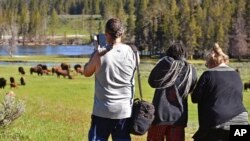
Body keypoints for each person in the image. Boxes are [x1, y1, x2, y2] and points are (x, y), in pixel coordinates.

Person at [83, 18, 137, 141]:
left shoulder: (99, 54)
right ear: (121, 33)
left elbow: (86, 72)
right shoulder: (134, 52)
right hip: (124, 110)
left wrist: (95, 53)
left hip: (102, 110)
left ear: (106, 34)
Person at [191, 43, 249, 141]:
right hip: (241, 119)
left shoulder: (208, 75)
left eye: (207, 64)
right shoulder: (236, 75)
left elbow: (195, 98)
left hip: (217, 121)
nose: (207, 66)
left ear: (212, 61)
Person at [147, 42, 197, 141]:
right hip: (178, 117)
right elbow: (191, 89)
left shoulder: (164, 64)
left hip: (159, 115)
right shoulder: (191, 70)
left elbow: (151, 82)